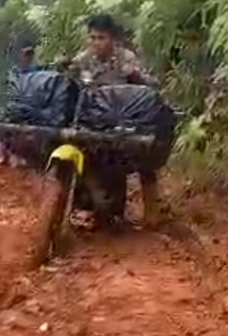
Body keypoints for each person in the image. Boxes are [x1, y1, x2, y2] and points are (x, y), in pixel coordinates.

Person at [70, 14, 162, 226]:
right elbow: (71, 84)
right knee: (78, 149)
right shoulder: (82, 60)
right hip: (93, 119)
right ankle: (84, 205)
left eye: (101, 38)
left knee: (145, 155)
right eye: (92, 38)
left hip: (124, 119)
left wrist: (136, 77)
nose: (96, 43)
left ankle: (152, 212)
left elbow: (150, 86)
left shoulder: (126, 58)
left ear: (112, 39)